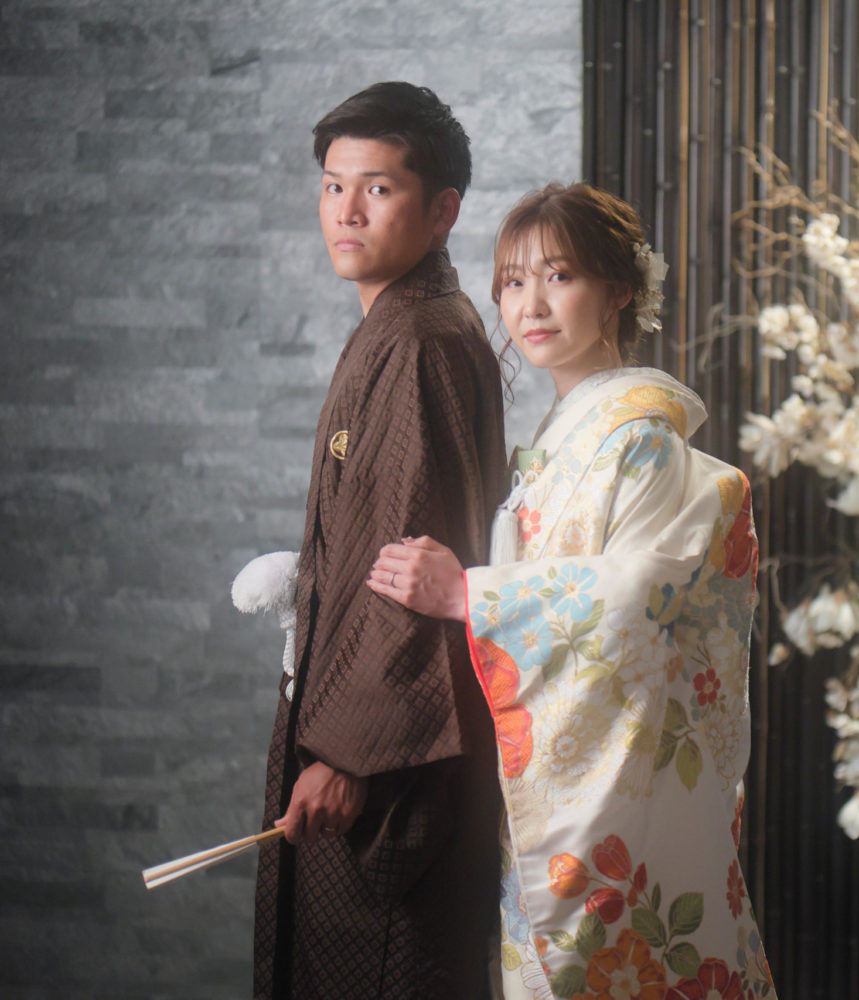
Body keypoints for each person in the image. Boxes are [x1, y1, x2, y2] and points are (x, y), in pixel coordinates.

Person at [366, 183, 777, 999]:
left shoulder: (642, 441)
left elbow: (639, 599)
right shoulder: (557, 442)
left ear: (618, 290)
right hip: (551, 775)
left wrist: (472, 597)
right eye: (513, 283)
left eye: (559, 276)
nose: (532, 305)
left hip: (610, 792)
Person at [253, 82, 507, 1000]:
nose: (346, 211)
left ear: (442, 212)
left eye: (378, 188)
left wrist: (349, 756)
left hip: (386, 774)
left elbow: (411, 565)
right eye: (333, 186)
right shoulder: (402, 324)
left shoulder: (418, 341)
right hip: (367, 743)